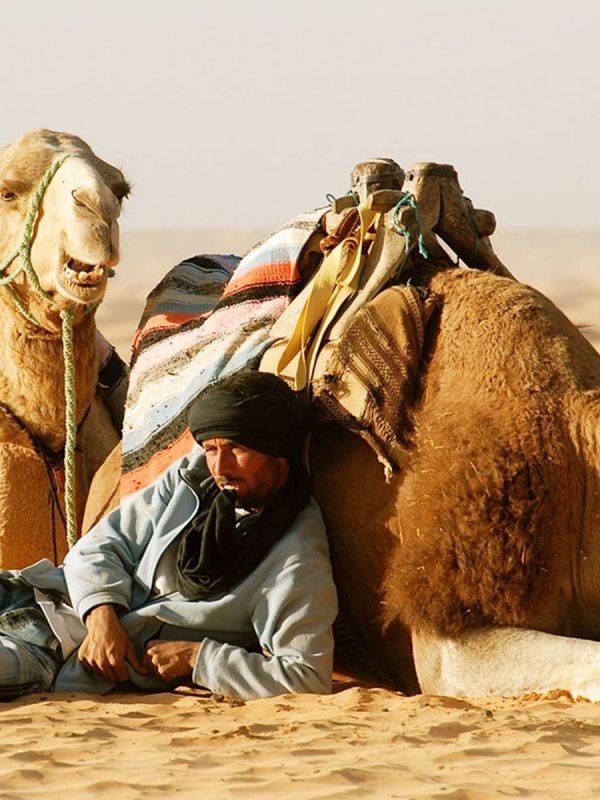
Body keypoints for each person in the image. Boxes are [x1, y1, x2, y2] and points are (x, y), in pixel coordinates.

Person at [0, 371, 338, 701]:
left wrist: (198, 658)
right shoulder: (191, 478)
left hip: (52, 650)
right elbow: (100, 545)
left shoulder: (294, 557)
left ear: (277, 449)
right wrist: (102, 614)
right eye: (211, 448)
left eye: (236, 447)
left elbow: (306, 674)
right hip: (28, 591)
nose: (220, 467)